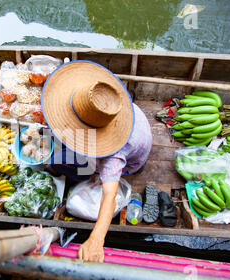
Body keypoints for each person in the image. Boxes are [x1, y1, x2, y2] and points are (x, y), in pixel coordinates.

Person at [41, 60, 152, 263]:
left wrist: (96, 239)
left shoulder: (114, 154)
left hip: (132, 157)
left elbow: (109, 195)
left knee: (67, 163)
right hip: (136, 122)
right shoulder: (102, 101)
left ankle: (74, 168)